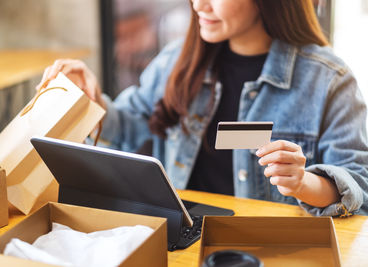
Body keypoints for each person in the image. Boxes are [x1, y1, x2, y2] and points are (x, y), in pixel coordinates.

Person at [38, 0, 368, 217]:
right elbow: (127, 127)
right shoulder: (175, 61)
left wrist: (301, 183)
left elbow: (358, 184)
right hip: (181, 240)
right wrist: (90, 99)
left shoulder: (329, 79)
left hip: (268, 248)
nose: (200, 4)